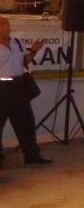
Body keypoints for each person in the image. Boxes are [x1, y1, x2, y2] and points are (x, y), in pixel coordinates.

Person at [0, 14, 51, 166]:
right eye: (2, 24)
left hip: (18, 85)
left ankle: (32, 155)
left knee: (26, 122)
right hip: (1, 86)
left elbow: (23, 62)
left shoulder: (17, 42)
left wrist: (34, 51)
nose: (6, 26)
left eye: (6, 23)